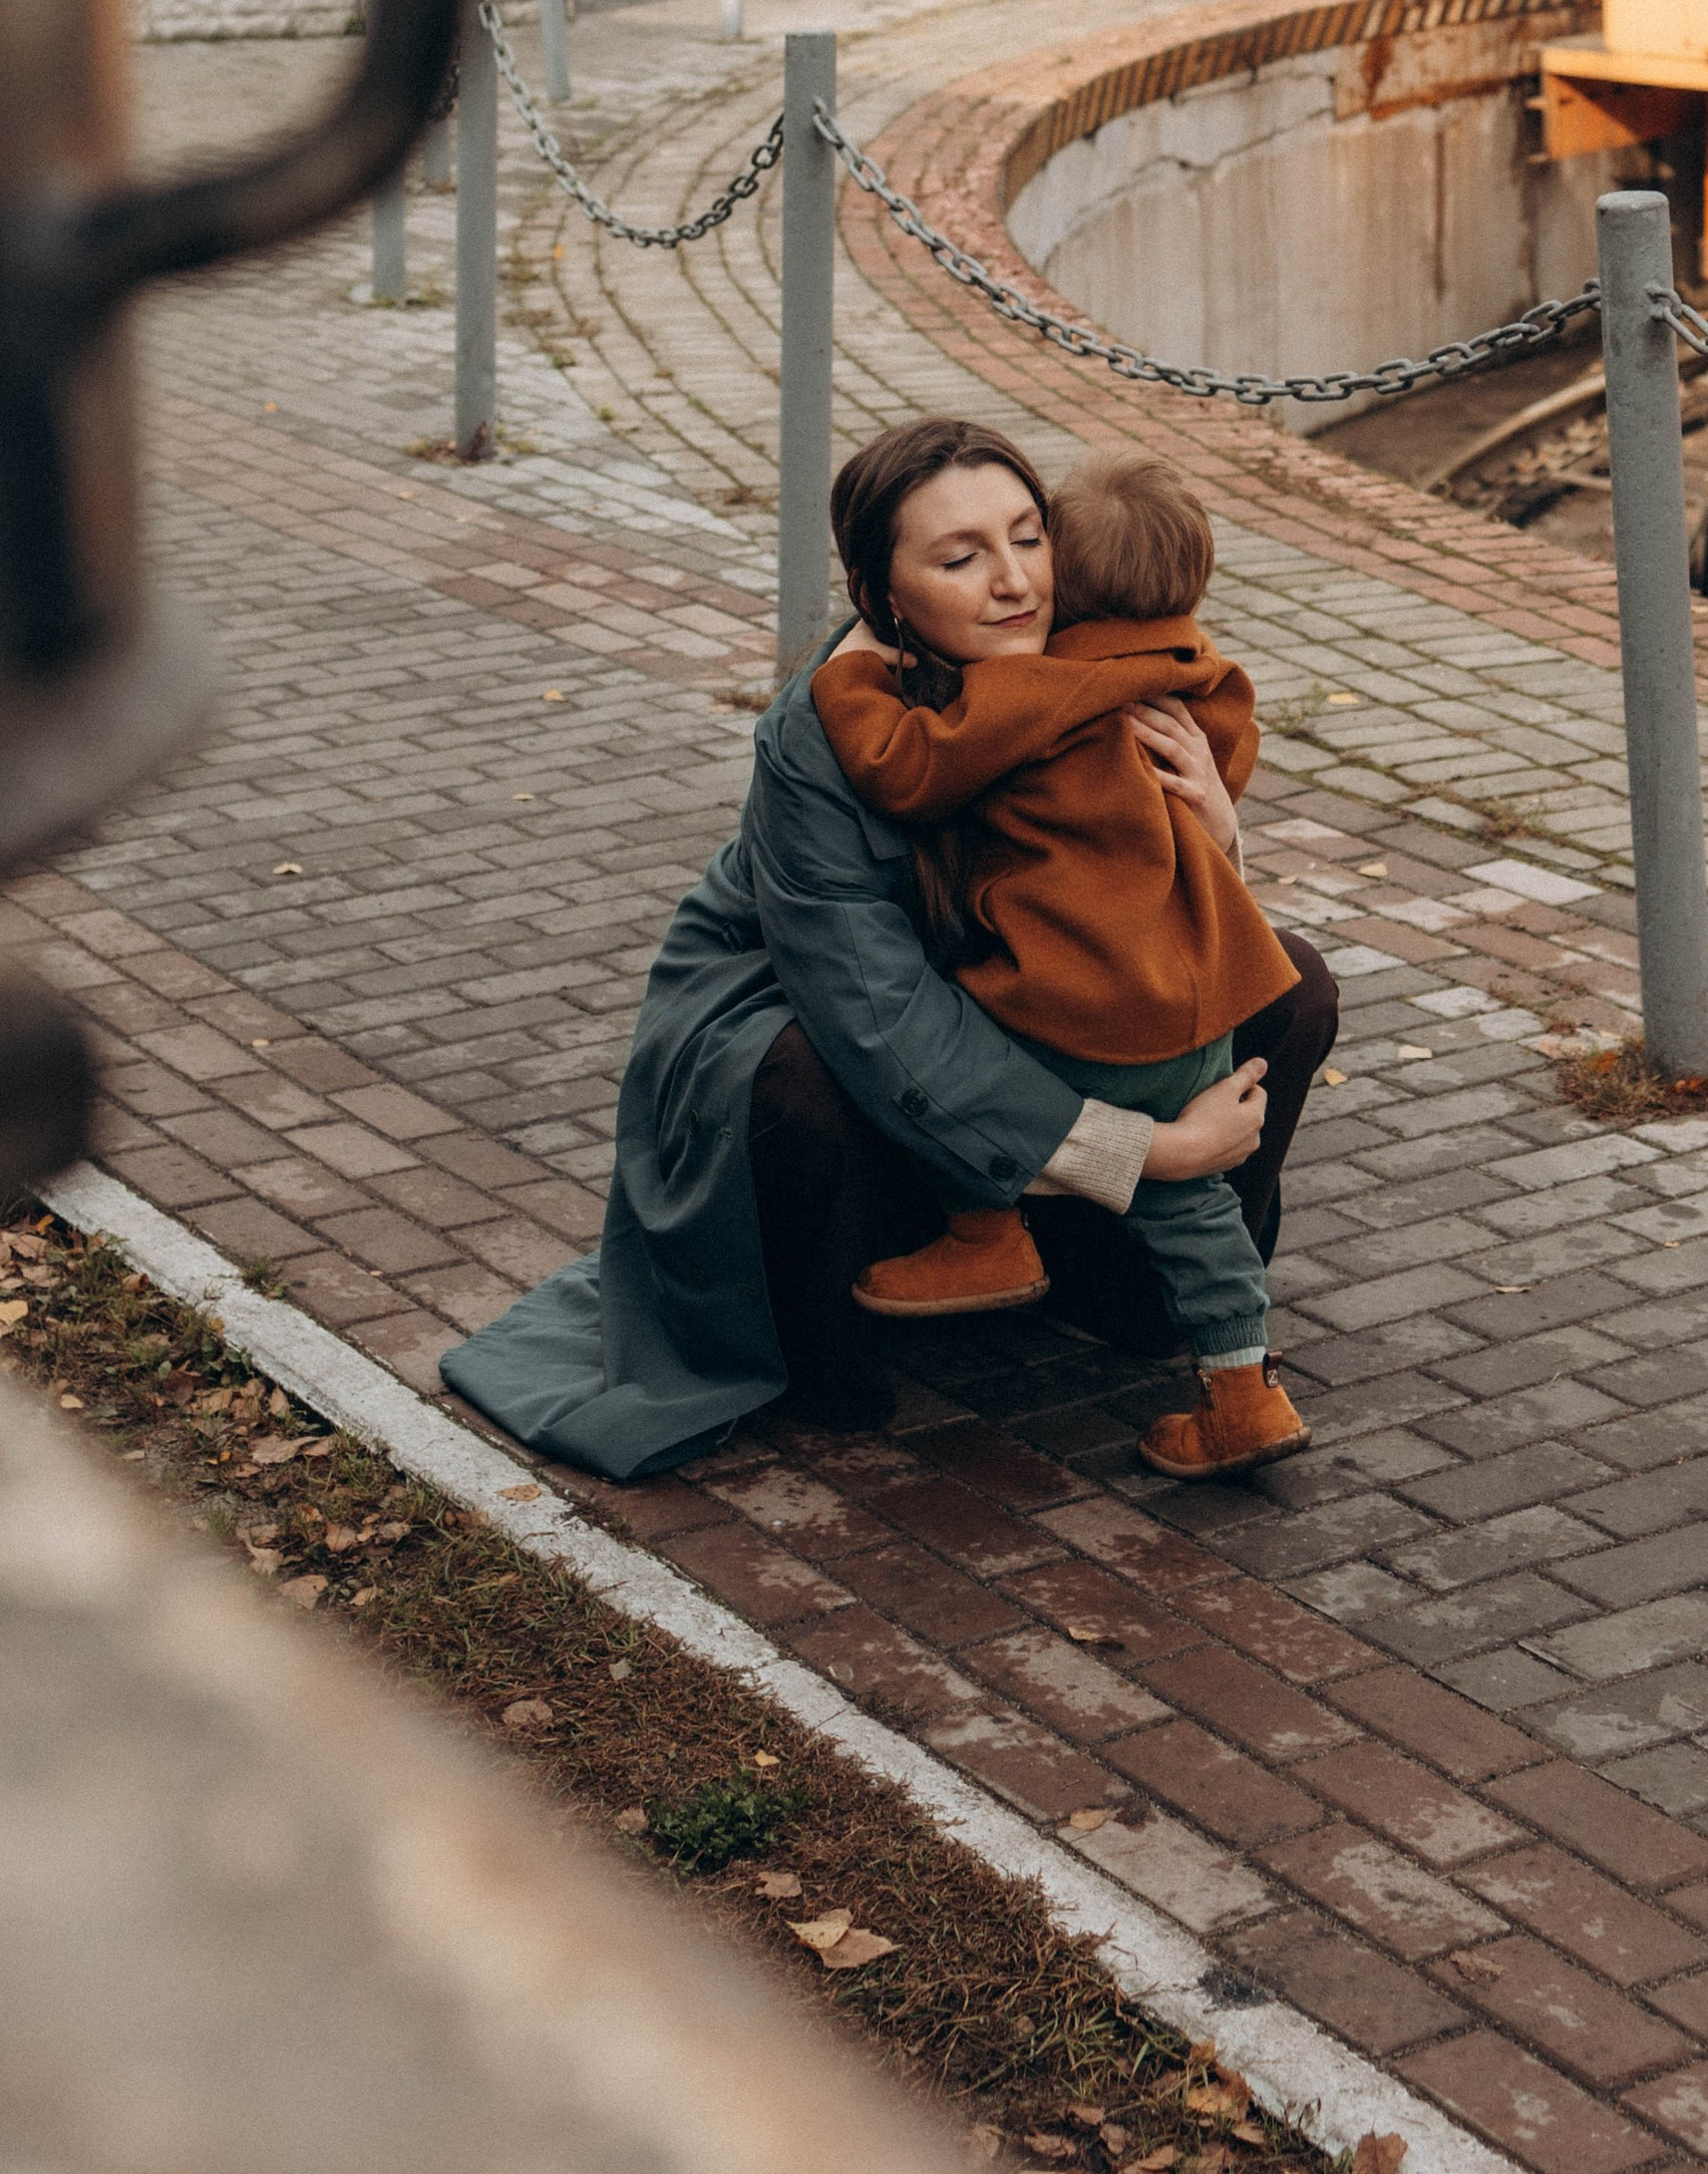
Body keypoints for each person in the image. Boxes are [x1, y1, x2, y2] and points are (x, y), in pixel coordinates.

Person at [439, 417, 1337, 1486]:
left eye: (1028, 537)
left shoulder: (1079, 658)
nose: (1014, 582)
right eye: (960, 558)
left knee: (1289, 988)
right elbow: (881, 1014)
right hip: (814, 1018)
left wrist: (1216, 828)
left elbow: (1131, 896)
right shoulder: (825, 735)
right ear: (884, 594)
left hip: (1011, 1000)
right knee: (794, 1077)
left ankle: (1126, 1288)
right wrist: (1148, 1151)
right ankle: (827, 1333)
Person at [810, 450, 1311, 1475]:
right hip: (1192, 1003)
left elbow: (904, 768)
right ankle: (1243, 1392)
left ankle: (985, 1231)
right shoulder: (1204, 676)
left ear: (1064, 579)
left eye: (1031, 545)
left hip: (1077, 1001)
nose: (1012, 578)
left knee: (954, 1024)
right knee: (1192, 1201)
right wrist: (1216, 813)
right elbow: (1220, 768)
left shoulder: (1034, 693)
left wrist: (848, 675)